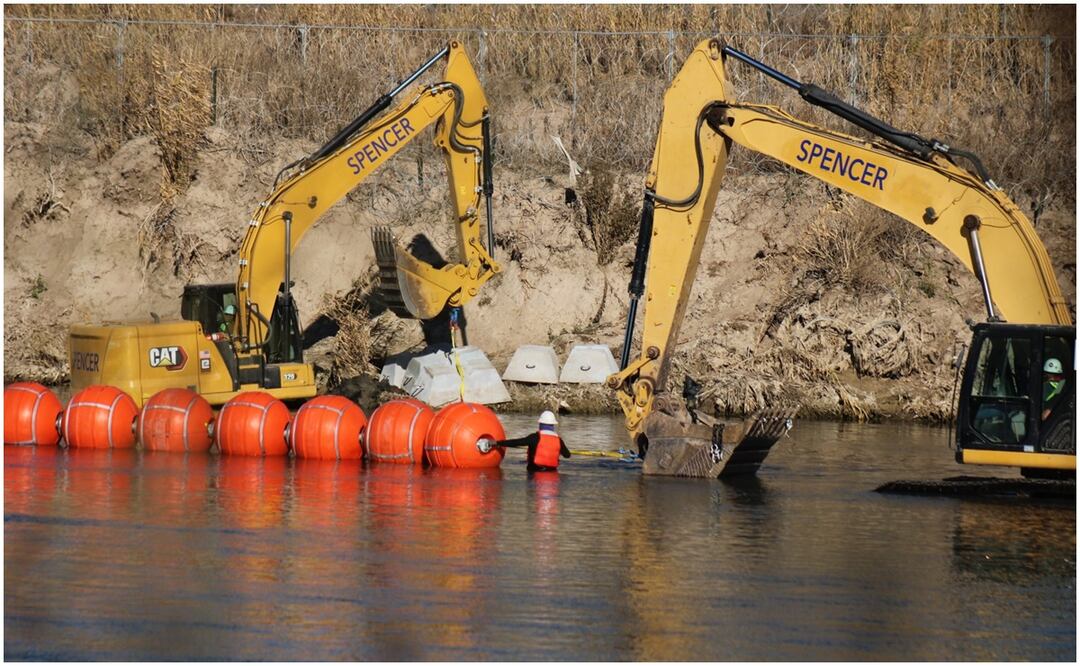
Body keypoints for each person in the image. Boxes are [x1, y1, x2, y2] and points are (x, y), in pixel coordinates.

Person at [493, 411, 571, 471]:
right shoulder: (559, 440)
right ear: (553, 425)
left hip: (534, 472)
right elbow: (567, 455)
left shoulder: (534, 437)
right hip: (552, 474)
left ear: (540, 424)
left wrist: (498, 443)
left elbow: (517, 442)